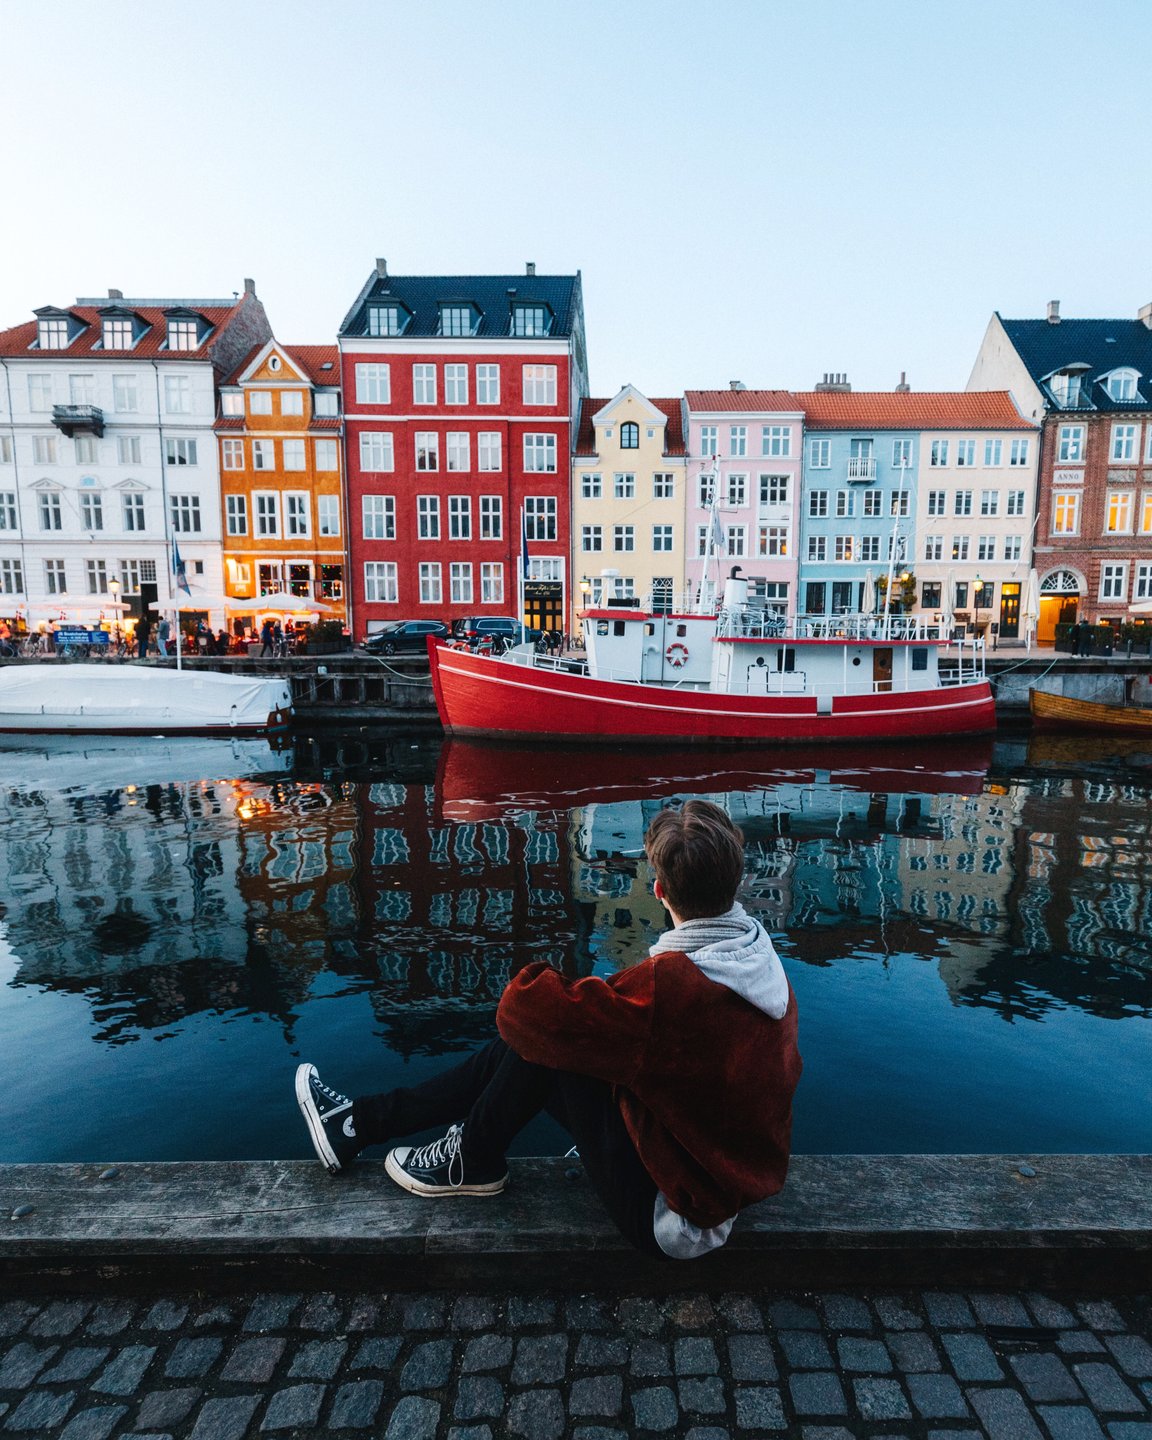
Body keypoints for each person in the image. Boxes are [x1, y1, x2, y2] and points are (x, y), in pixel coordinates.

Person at [296, 800, 802, 1259]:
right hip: (724, 1177)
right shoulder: (756, 960)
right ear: (734, 884)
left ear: (659, 890)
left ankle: (445, 1151)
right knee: (552, 1040)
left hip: (676, 1218)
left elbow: (520, 1010)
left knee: (539, 1046)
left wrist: (562, 984)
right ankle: (363, 1125)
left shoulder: (669, 989)